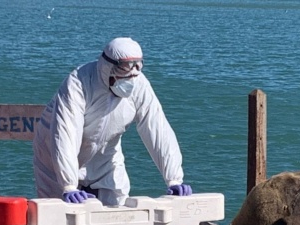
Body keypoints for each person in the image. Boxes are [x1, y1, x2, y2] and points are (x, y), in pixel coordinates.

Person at [33, 37, 192, 205]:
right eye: (124, 68)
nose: (131, 74)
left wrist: (174, 179)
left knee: (118, 208)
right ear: (107, 66)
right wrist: (69, 185)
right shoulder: (79, 83)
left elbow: (157, 129)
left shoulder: (139, 84)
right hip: (54, 157)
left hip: (105, 155)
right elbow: (66, 134)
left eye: (137, 66)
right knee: (58, 214)